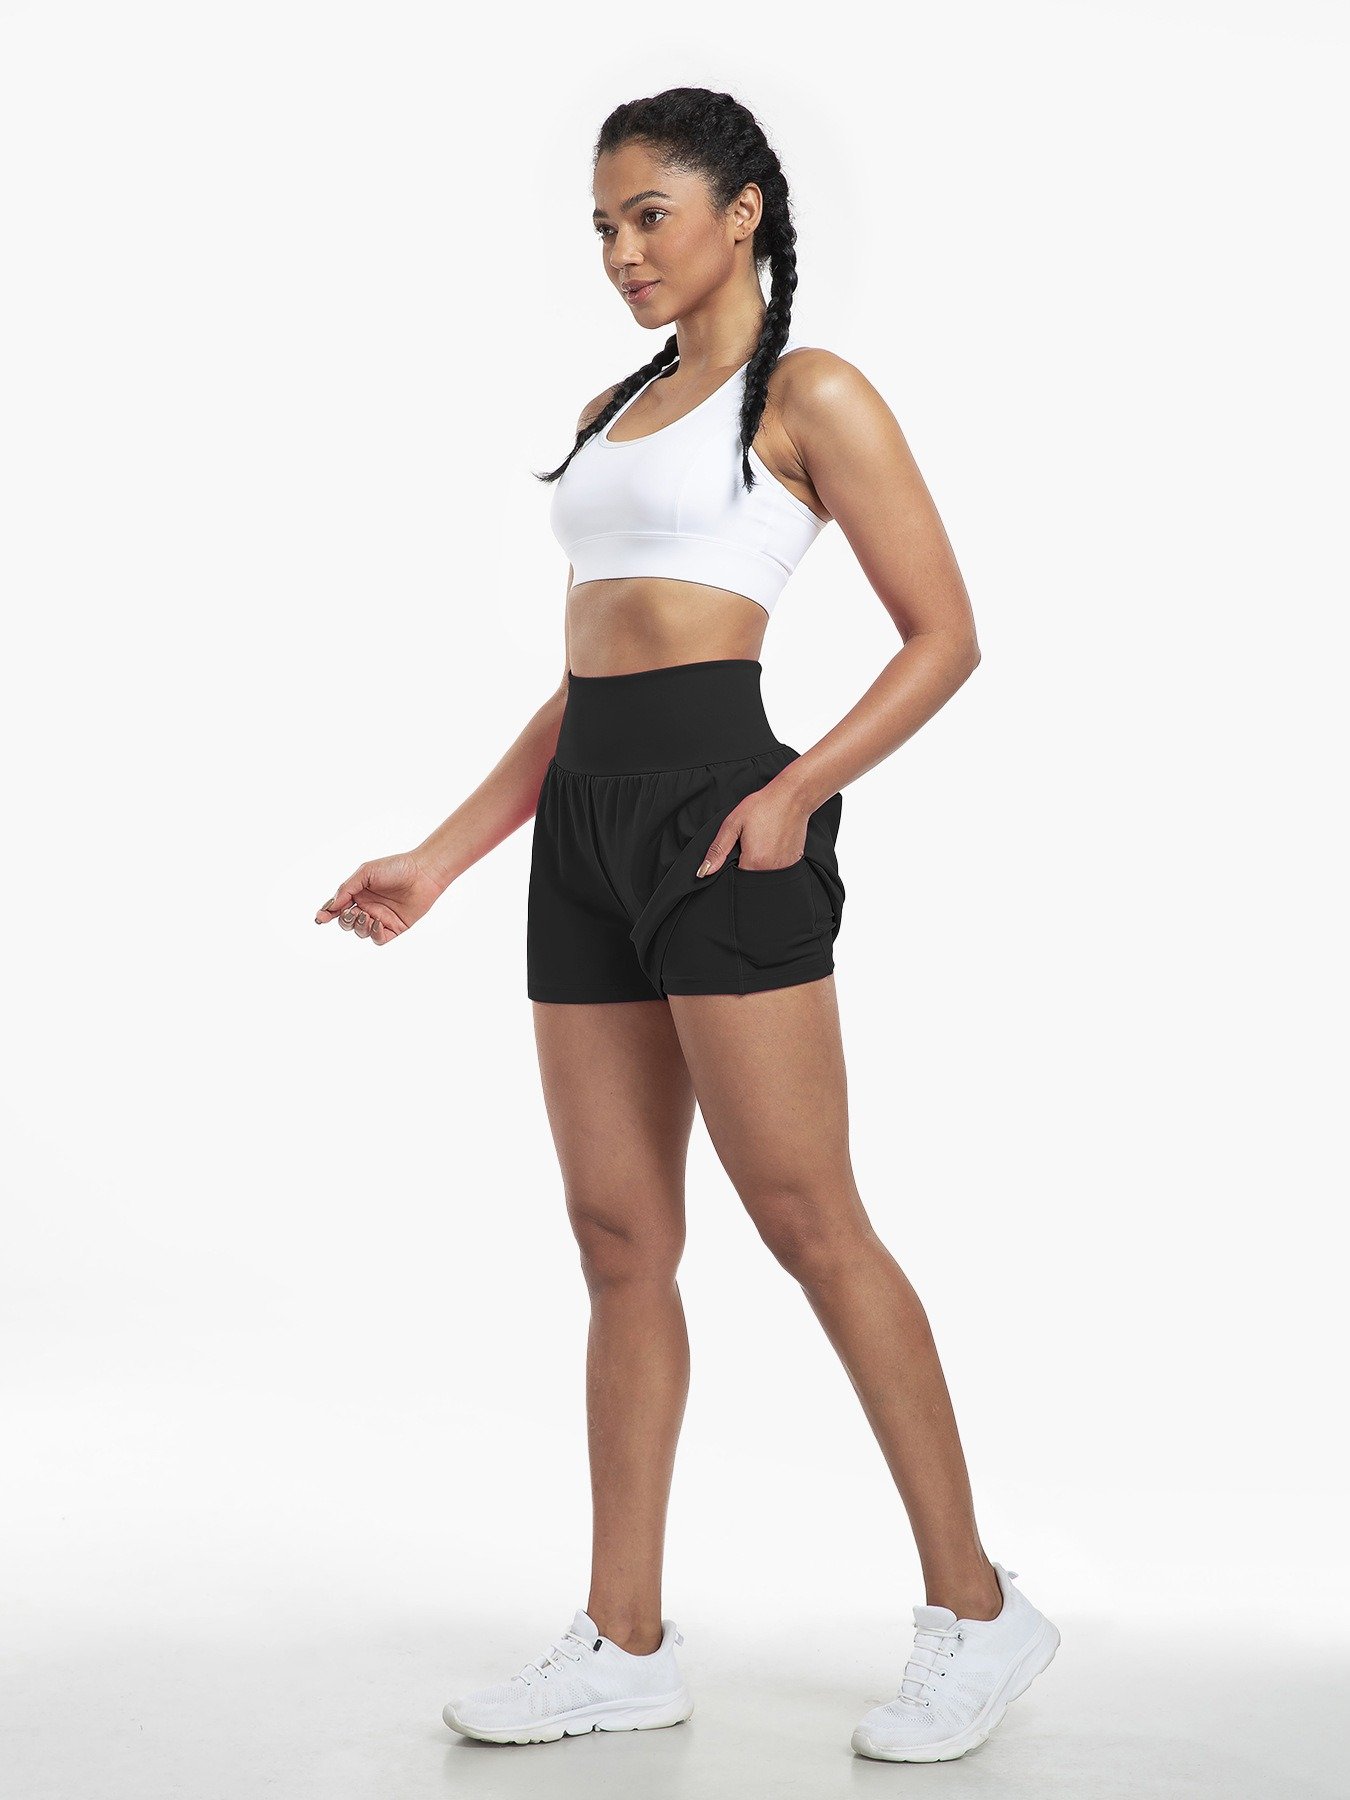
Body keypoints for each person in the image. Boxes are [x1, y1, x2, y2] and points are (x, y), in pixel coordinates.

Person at [314, 86, 1060, 1765]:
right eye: (600, 224)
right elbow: (585, 676)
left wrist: (797, 792)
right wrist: (442, 855)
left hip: (727, 818)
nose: (620, 251)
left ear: (742, 212)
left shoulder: (811, 394)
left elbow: (942, 636)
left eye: (648, 213)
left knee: (807, 1218)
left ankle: (977, 1608)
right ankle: (623, 1641)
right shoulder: (611, 410)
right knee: (616, 1239)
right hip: (584, 830)